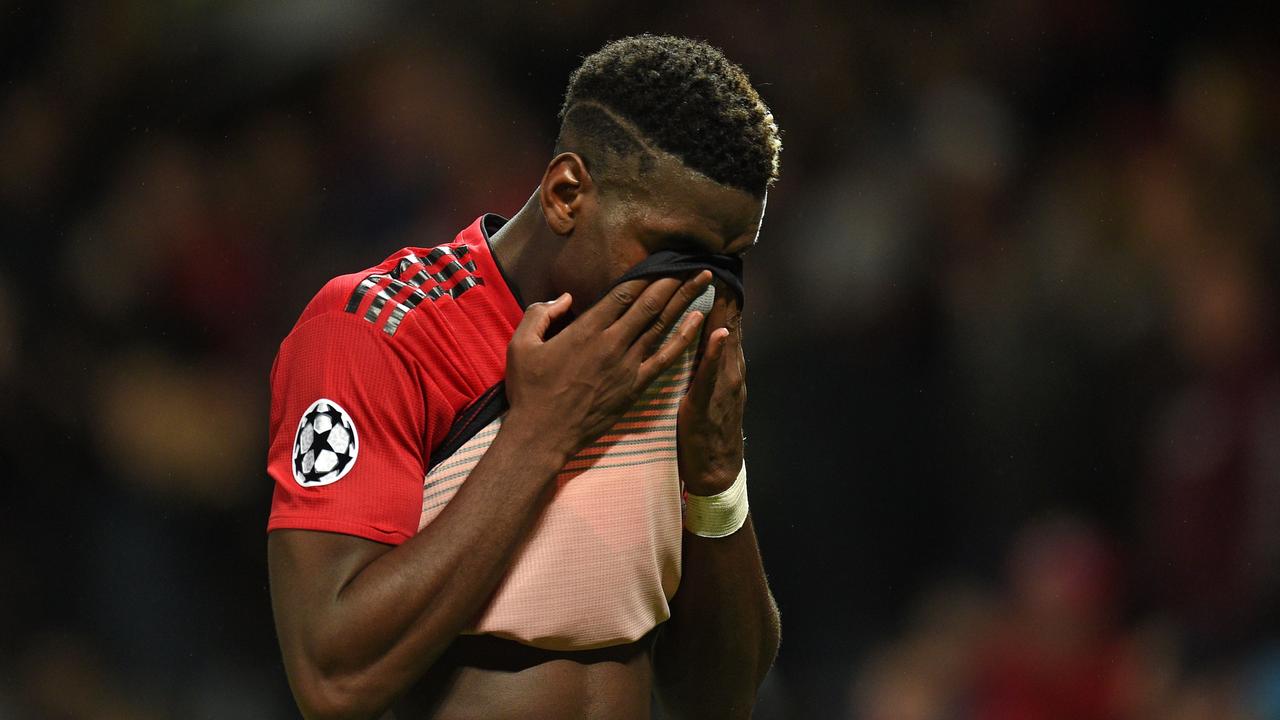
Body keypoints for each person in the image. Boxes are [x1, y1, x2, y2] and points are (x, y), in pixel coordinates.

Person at [266, 35, 782, 719]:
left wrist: (717, 477)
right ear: (568, 193)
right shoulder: (377, 332)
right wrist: (540, 434)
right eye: (673, 252)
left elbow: (717, 699)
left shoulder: (677, 354)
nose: (697, 290)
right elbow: (334, 678)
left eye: (728, 262)